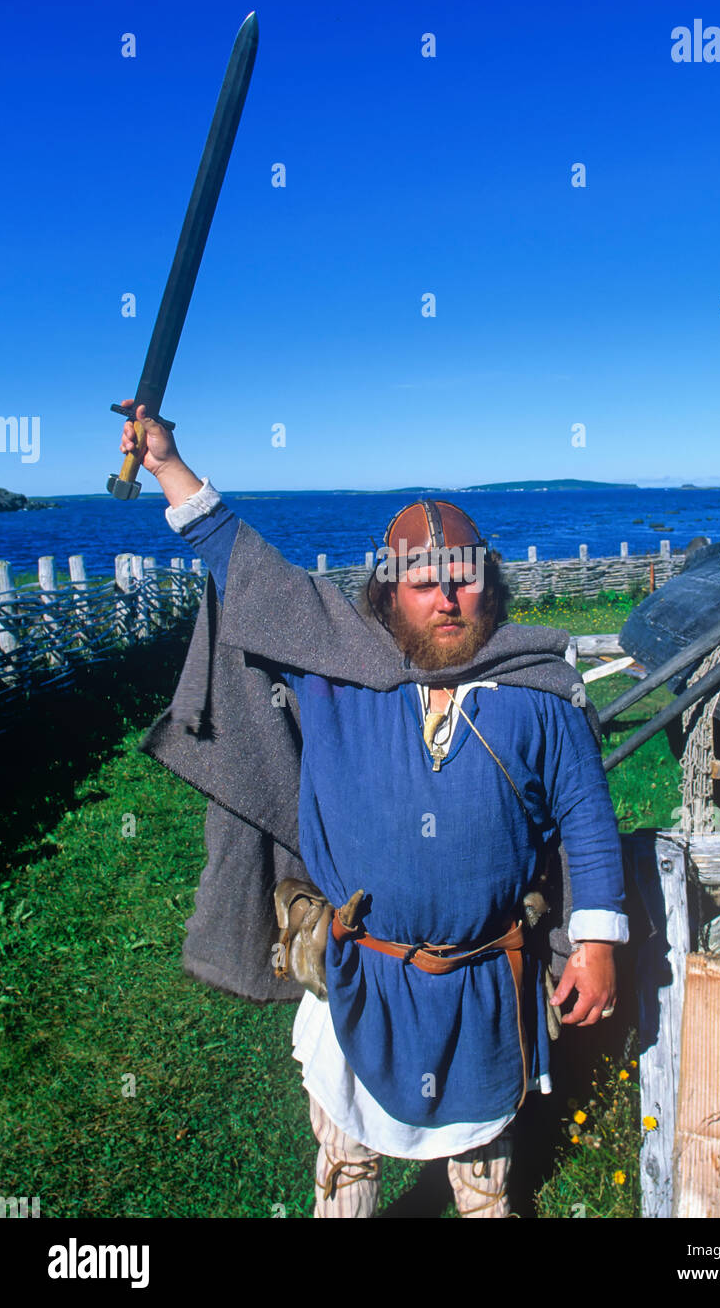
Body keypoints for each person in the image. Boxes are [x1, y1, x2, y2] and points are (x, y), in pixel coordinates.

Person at [119, 402, 629, 1219]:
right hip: (360, 978)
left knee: (483, 1177)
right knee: (346, 1163)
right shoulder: (339, 669)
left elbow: (588, 820)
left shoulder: (539, 692)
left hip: (480, 988)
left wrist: (598, 943)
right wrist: (168, 463)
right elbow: (249, 574)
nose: (447, 599)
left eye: (462, 578)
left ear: (487, 583)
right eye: (424, 582)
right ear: (390, 595)